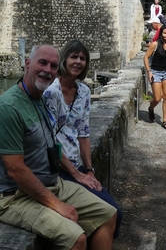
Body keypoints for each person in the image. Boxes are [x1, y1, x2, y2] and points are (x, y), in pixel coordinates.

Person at [0, 45, 117, 249]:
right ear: (27, 64)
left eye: (53, 66)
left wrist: (78, 173)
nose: (47, 69)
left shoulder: (39, 99)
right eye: (42, 63)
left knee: (108, 213)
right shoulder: (8, 107)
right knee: (76, 237)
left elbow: (52, 143)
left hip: (50, 183)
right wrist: (57, 205)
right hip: (12, 197)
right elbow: (15, 169)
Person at [43, 40, 122, 237]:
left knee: (110, 210)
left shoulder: (84, 92)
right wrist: (77, 175)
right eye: (74, 57)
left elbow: (84, 133)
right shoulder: (51, 92)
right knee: (110, 210)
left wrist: (89, 170)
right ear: (64, 59)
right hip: (57, 168)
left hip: (76, 167)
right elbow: (50, 142)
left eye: (82, 58)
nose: (78, 62)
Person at [143, 25, 166, 130]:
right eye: (165, 33)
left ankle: (165, 121)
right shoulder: (155, 44)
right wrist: (149, 72)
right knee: (157, 98)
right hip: (155, 73)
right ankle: (151, 108)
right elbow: (146, 57)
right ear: (161, 34)